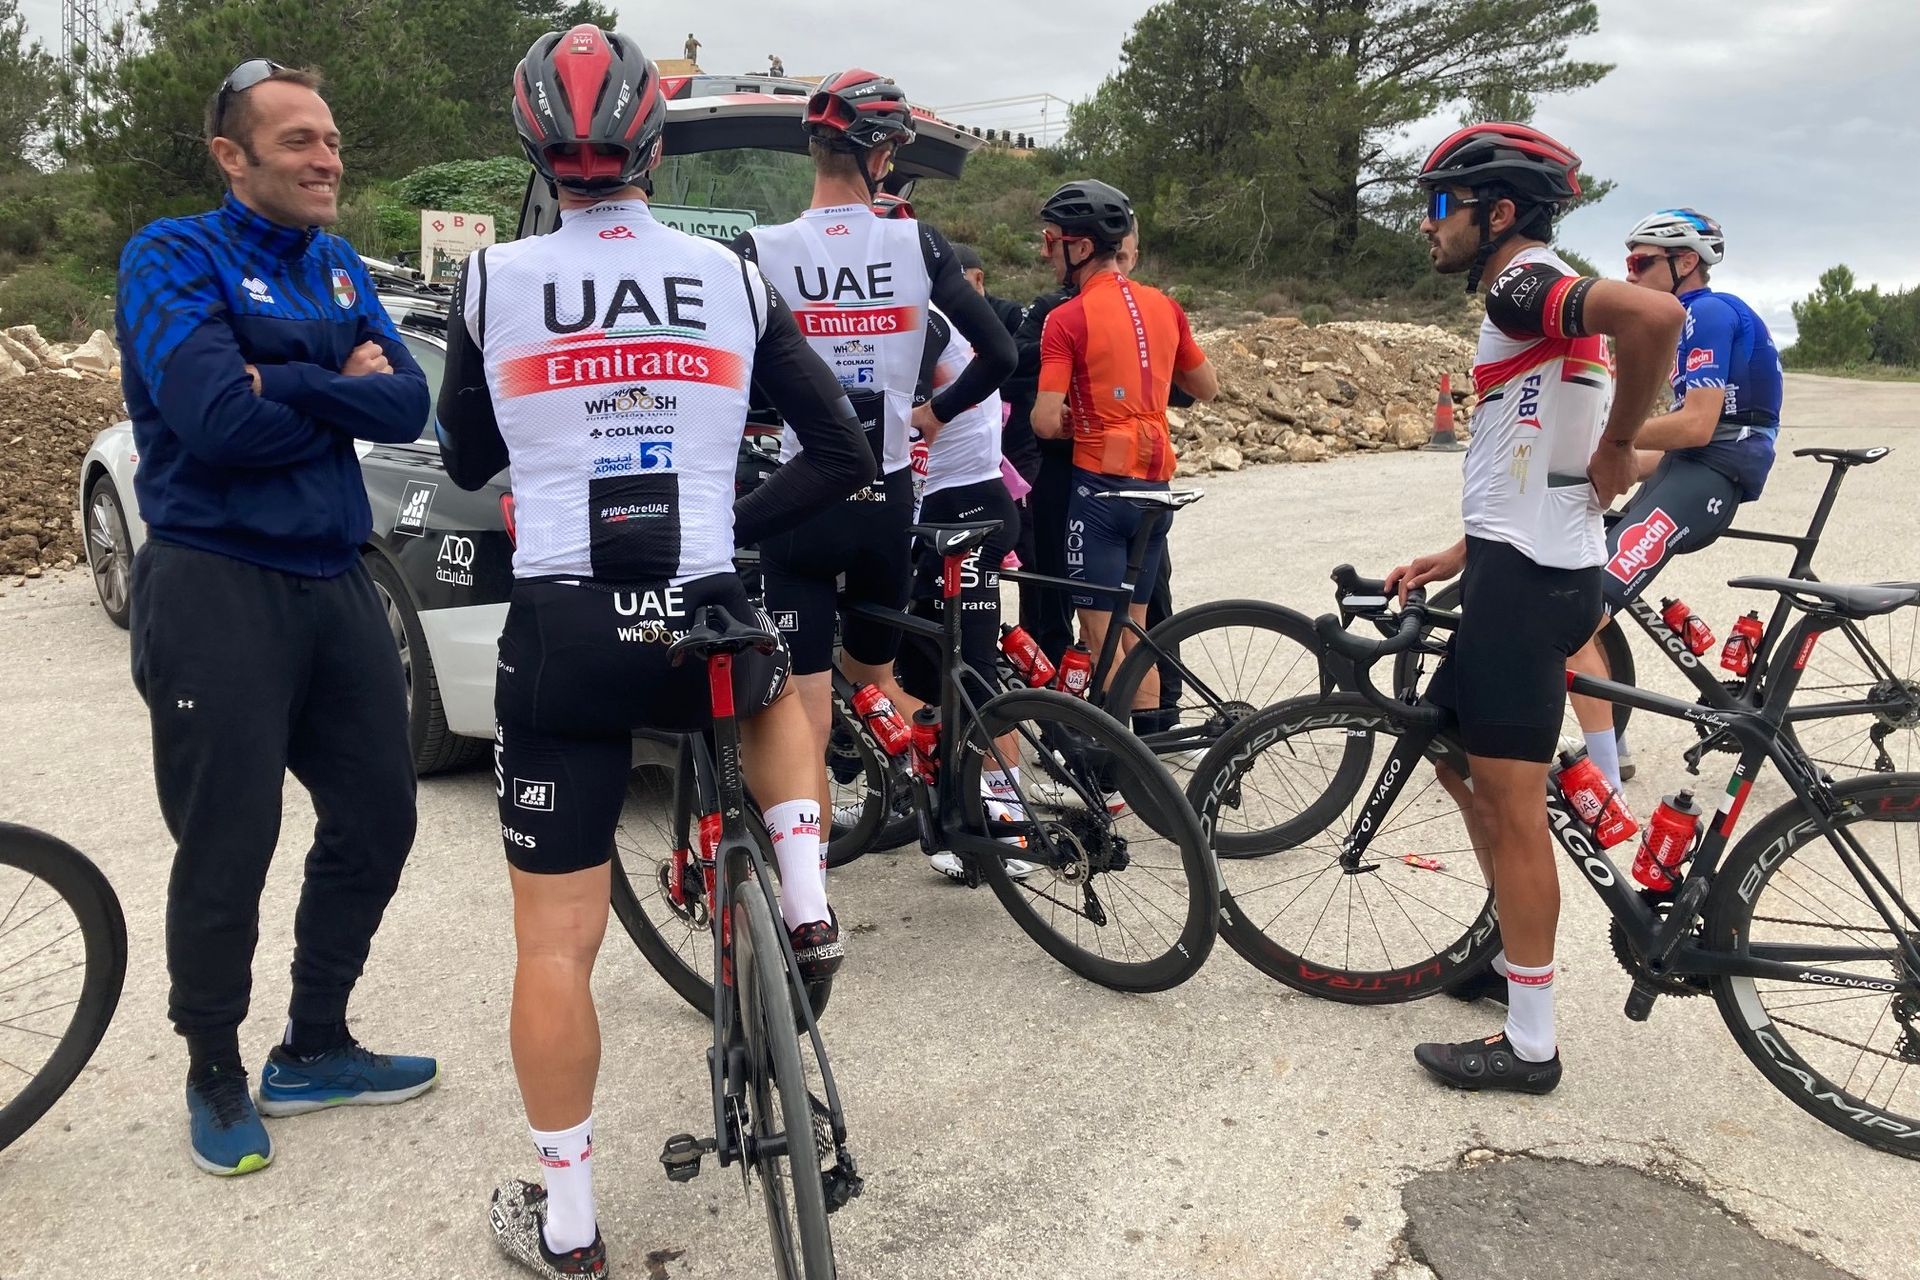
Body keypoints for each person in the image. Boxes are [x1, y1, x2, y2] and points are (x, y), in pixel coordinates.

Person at [434, 27, 873, 1278]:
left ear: (535, 147)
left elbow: (467, 460)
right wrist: (722, 524)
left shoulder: (493, 280)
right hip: (706, 604)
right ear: (654, 142)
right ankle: (806, 894)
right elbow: (839, 453)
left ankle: (569, 1224)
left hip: (568, 628)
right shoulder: (729, 273)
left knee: (554, 944)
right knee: (773, 672)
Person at [114, 59, 437, 1178]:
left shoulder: (340, 262)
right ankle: (214, 1064)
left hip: (335, 572)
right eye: (298, 139)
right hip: (214, 581)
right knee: (228, 839)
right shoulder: (171, 254)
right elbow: (210, 421)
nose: (326, 158)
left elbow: (408, 400)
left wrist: (279, 378)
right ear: (232, 157)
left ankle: (314, 1042)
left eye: (332, 138)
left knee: (382, 815)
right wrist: (325, 375)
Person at [1385, 122, 1685, 1095]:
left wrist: (1622, 444)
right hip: (1521, 567)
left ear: (1498, 213)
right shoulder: (1539, 304)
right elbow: (1538, 453)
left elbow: (1657, 320)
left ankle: (1531, 1039)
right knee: (1447, 743)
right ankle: (1502, 946)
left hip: (1528, 590)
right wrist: (1461, 548)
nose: (1429, 226)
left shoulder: (1522, 283)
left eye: (1441, 206)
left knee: (1514, 809)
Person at [733, 67, 1015, 875]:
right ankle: (970, 790)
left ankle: (806, 893)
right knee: (881, 674)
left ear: (816, 149)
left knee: (805, 713)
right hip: (888, 499)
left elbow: (733, 381)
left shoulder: (763, 250)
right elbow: (998, 354)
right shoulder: (917, 242)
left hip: (802, 501)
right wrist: (933, 413)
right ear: (882, 153)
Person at [1564, 209, 1783, 788]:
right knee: (1586, 572)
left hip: (1712, 469)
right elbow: (1676, 440)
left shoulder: (1706, 311)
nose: (1629, 275)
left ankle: (1605, 775)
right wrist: (1602, 461)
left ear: (1686, 263)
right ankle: (1612, 733)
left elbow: (1695, 426)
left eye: (1640, 262)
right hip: (1697, 464)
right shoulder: (1686, 318)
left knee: (1584, 603)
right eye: (1626, 262)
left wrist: (1602, 438)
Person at [1031, 180, 1219, 727]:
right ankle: (1149, 759)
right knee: (1134, 636)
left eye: (1051, 241)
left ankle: (1115, 772)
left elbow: (1044, 420)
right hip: (1154, 494)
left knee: (1100, 638)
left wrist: (1077, 420)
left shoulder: (1065, 319)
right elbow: (1206, 386)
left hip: (1099, 496)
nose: (1047, 253)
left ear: (1082, 247)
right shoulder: (1165, 305)